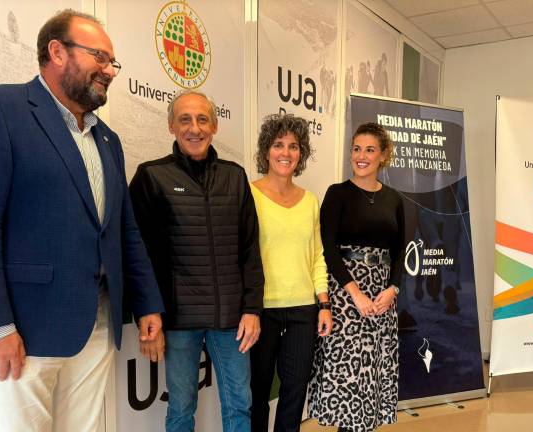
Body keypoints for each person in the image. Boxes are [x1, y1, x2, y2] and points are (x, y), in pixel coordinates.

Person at [0, 9, 164, 432]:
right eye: (100, 56)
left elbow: (124, 231)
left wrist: (147, 301)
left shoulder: (107, 140)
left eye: (113, 62)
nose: (110, 70)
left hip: (96, 325)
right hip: (25, 330)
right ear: (56, 51)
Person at [129, 90, 264, 432]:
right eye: (185, 119)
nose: (194, 128)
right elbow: (136, 252)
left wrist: (252, 309)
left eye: (202, 119)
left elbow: (249, 248)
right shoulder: (151, 176)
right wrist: (147, 312)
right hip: (178, 321)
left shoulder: (235, 177)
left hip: (231, 319)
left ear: (214, 126)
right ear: (171, 126)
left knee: (239, 407)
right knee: (181, 408)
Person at [308, 122, 407, 432]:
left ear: (383, 156)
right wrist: (355, 294)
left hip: (382, 297)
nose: (361, 156)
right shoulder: (337, 194)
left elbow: (401, 252)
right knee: (349, 381)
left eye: (369, 150)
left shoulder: (395, 199)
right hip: (346, 295)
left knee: (373, 377)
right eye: (356, 149)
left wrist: (393, 289)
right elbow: (328, 250)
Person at [249, 113, 333, 432]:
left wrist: (323, 304)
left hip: (302, 311)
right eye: (278, 144)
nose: (286, 152)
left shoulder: (310, 201)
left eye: (293, 146)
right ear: (266, 151)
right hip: (261, 310)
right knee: (256, 394)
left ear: (301, 153)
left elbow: (317, 257)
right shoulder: (249, 194)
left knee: (294, 393)